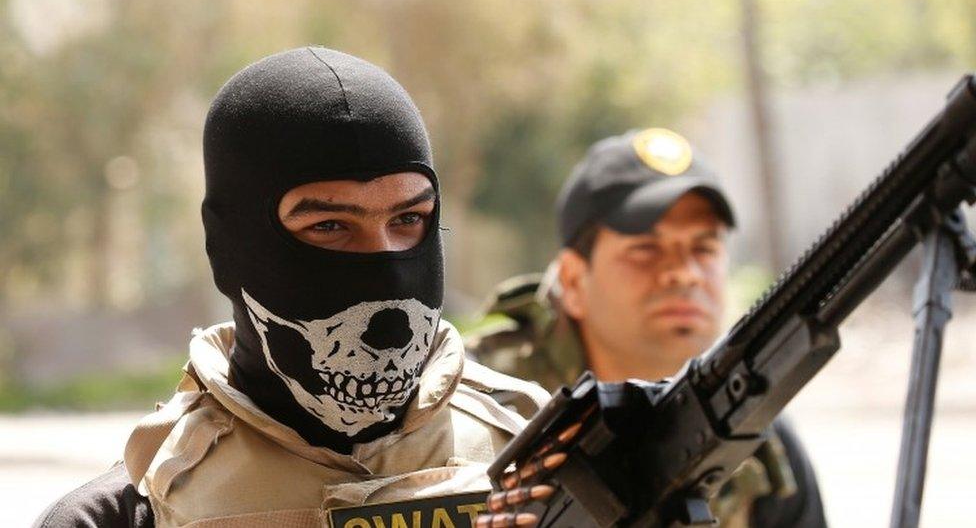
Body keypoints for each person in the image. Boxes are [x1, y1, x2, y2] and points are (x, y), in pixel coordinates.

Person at [34, 46, 550, 528]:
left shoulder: (544, 455)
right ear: (232, 248)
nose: (386, 269)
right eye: (329, 226)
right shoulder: (127, 514)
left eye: (409, 219)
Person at [469, 128, 827, 527]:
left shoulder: (749, 427)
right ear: (572, 281)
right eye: (646, 250)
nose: (685, 273)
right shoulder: (476, 409)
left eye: (703, 249)